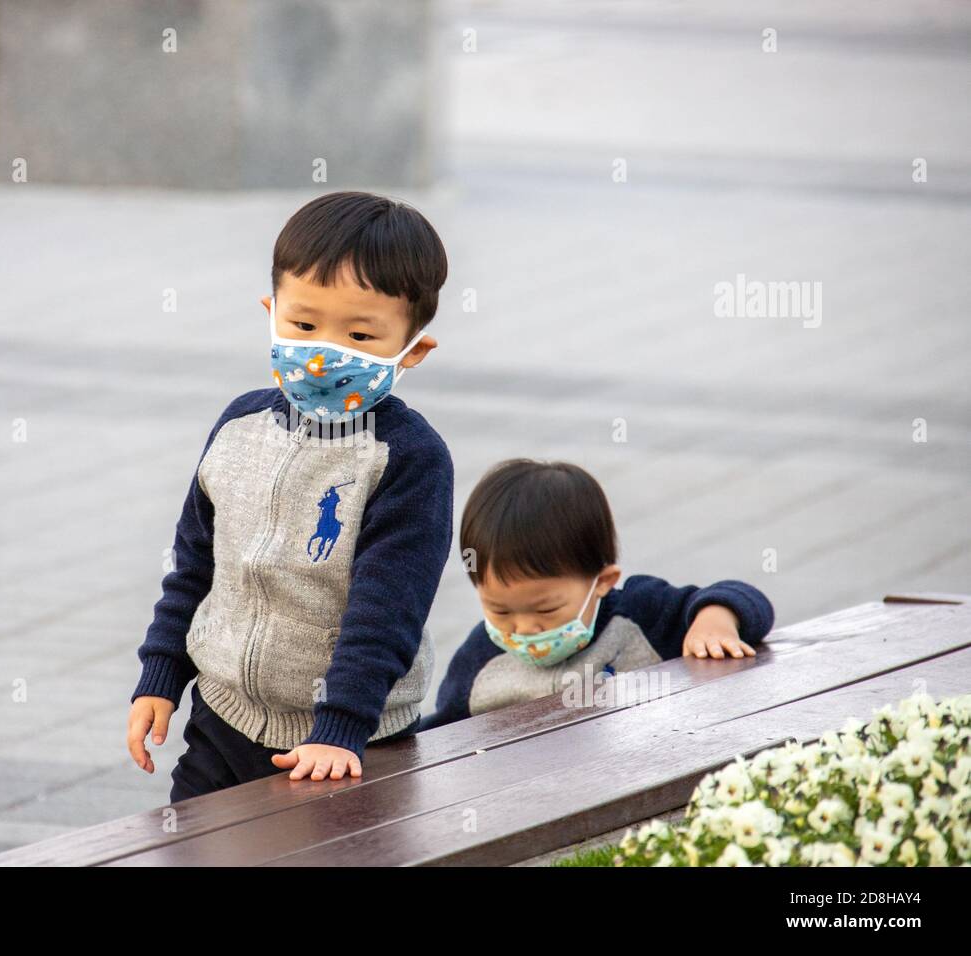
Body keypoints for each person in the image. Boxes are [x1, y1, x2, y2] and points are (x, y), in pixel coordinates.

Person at [127, 191, 455, 801]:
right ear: (270, 312)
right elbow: (193, 562)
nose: (325, 352)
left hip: (351, 742)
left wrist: (342, 727)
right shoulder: (238, 426)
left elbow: (387, 611)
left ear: (413, 351)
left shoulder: (408, 459)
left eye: (359, 335)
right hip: (222, 717)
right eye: (303, 325)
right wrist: (162, 673)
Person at [420, 458, 774, 729]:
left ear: (602, 581)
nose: (524, 628)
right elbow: (443, 737)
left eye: (546, 610)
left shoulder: (642, 612)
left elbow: (746, 598)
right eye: (500, 612)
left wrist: (715, 619)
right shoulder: (478, 657)